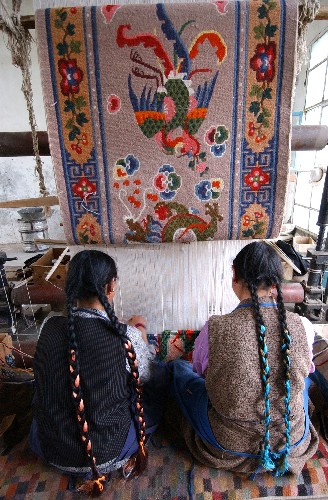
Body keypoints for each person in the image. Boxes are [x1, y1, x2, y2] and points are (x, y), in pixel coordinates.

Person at [169, 241, 318, 477]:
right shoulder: (302, 326)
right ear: (275, 283)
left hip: (228, 445)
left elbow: (199, 371)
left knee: (179, 370)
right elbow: (305, 369)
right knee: (305, 385)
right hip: (289, 441)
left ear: (235, 277)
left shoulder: (216, 328)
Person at [30, 249, 164, 495]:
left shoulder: (48, 327)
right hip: (110, 451)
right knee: (157, 389)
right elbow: (147, 377)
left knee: (42, 393)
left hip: (50, 449)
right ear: (111, 287)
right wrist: (141, 336)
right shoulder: (126, 337)